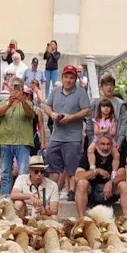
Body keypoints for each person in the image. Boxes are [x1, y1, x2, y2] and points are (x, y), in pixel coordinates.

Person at [43, 65, 92, 199]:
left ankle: (71, 192)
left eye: (71, 77)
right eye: (66, 77)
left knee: (72, 167)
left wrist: (71, 117)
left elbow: (87, 110)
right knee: (52, 164)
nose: (68, 80)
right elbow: (46, 105)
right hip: (56, 135)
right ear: (62, 78)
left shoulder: (81, 92)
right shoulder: (55, 91)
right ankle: (51, 192)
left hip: (73, 136)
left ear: (75, 79)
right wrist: (52, 114)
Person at [0, 78, 37, 195]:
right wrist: (9, 103)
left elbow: (30, 114)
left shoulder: (28, 103)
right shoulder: (3, 103)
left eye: (18, 87)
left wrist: (22, 101)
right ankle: (5, 199)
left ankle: (21, 198)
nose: (15, 90)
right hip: (5, 141)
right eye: (13, 87)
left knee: (23, 173)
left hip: (22, 142)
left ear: (22, 89)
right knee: (5, 173)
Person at [75, 134, 127, 222]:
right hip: (92, 190)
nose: (105, 148)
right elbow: (77, 176)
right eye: (103, 144)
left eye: (108, 144)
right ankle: (81, 219)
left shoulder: (116, 156)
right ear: (97, 145)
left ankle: (126, 219)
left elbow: (122, 175)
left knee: (124, 185)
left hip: (110, 192)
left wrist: (111, 182)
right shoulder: (88, 155)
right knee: (81, 183)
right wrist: (96, 171)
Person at [88, 74, 127, 162]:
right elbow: (89, 121)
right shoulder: (95, 103)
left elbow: (123, 124)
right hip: (98, 141)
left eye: (111, 85)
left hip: (114, 141)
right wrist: (91, 140)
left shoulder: (120, 104)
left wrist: (119, 142)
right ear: (101, 87)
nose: (109, 88)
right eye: (106, 85)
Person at [10, 155, 60, 220]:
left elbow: (54, 210)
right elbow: (13, 194)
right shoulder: (21, 179)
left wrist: (45, 211)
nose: (39, 174)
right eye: (36, 171)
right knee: (18, 203)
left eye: (42, 172)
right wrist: (30, 196)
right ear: (30, 171)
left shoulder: (52, 185)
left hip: (42, 215)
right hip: (26, 213)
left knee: (54, 218)